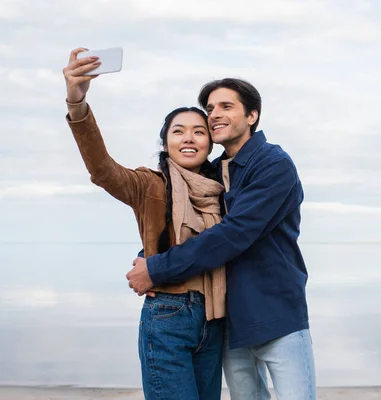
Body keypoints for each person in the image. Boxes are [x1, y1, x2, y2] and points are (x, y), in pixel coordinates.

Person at [126, 78, 316, 399]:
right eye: (210, 108)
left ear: (252, 116)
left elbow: (233, 234)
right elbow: (185, 219)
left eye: (226, 106)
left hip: (278, 317)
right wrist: (151, 253)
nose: (214, 114)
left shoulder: (273, 164)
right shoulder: (214, 172)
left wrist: (157, 268)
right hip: (230, 324)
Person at [63, 48, 226, 400]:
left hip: (215, 321)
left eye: (199, 132)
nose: (188, 138)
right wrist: (77, 104)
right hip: (168, 316)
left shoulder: (222, 191)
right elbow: (102, 169)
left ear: (211, 143)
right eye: (178, 131)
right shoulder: (150, 185)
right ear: (165, 143)